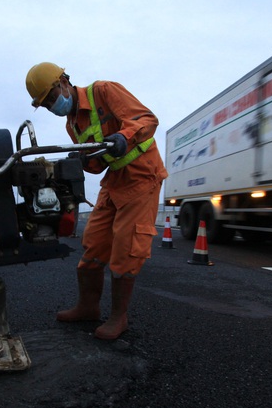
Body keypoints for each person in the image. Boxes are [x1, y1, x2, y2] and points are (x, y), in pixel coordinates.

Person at [25, 62, 168, 340]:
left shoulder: (103, 91)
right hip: (114, 181)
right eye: (46, 105)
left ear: (64, 81)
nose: (53, 105)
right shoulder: (72, 124)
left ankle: (118, 318)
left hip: (141, 177)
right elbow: (96, 166)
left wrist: (123, 138)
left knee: (126, 250)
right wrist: (81, 161)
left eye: (53, 97)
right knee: (93, 244)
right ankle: (88, 307)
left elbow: (147, 120)